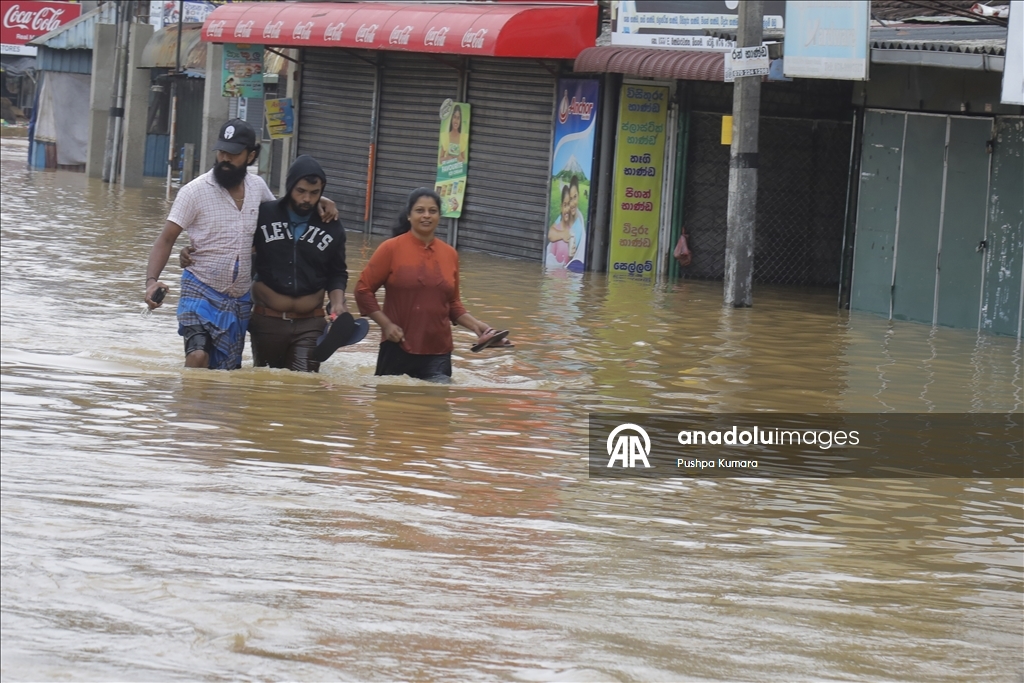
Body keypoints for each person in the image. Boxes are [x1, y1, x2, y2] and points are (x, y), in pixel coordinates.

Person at [145, 119, 335, 370]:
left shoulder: (258, 188)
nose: (225, 158)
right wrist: (151, 281)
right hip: (200, 287)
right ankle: (188, 396)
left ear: (251, 155)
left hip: (239, 298)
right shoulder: (194, 192)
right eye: (222, 151)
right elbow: (166, 239)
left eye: (233, 153)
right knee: (198, 355)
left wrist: (319, 201)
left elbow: (282, 217)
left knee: (226, 372)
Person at [354, 188, 500, 383]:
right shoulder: (390, 248)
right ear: (409, 215)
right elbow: (363, 290)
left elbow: (452, 304)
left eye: (432, 211)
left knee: (438, 398)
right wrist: (386, 325)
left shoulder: (450, 254)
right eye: (420, 210)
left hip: (438, 351)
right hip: (397, 346)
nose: (426, 216)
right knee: (391, 399)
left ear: (439, 216)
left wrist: (477, 326)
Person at [247, 155, 348, 372]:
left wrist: (338, 303)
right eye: (300, 191)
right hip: (267, 321)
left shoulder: (331, 225)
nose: (307, 199)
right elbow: (235, 246)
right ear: (290, 186)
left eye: (314, 193)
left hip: (310, 323)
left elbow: (337, 272)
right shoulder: (264, 214)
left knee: (304, 383)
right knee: (266, 383)